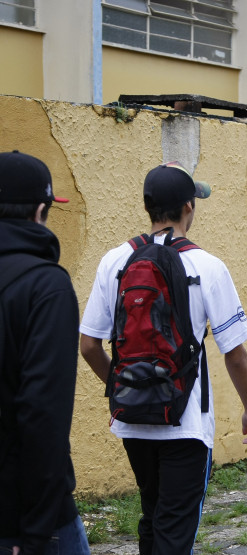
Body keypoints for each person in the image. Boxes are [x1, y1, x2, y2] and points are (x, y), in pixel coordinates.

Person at [80, 161, 247, 554]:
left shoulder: (114, 261)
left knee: (152, 515)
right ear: (188, 208)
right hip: (187, 422)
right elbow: (234, 352)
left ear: (148, 209)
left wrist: (123, 388)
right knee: (175, 530)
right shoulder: (209, 267)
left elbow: (89, 346)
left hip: (131, 420)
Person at [0, 151, 90, 554]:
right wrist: (36, 532)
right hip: (24, 514)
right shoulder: (45, 286)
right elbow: (42, 413)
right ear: (41, 211)